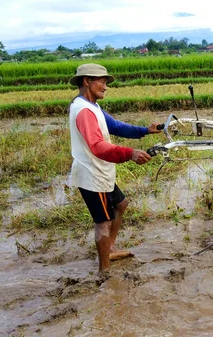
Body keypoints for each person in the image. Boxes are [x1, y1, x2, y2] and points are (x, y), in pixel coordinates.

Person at [68, 63, 160, 272]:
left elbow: (115, 126)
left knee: (121, 204)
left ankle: (109, 248)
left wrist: (145, 130)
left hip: (100, 170)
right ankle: (104, 271)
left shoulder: (92, 106)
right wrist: (130, 153)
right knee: (103, 223)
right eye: (101, 81)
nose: (105, 86)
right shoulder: (83, 111)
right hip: (92, 174)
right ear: (87, 81)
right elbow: (98, 146)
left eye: (105, 82)